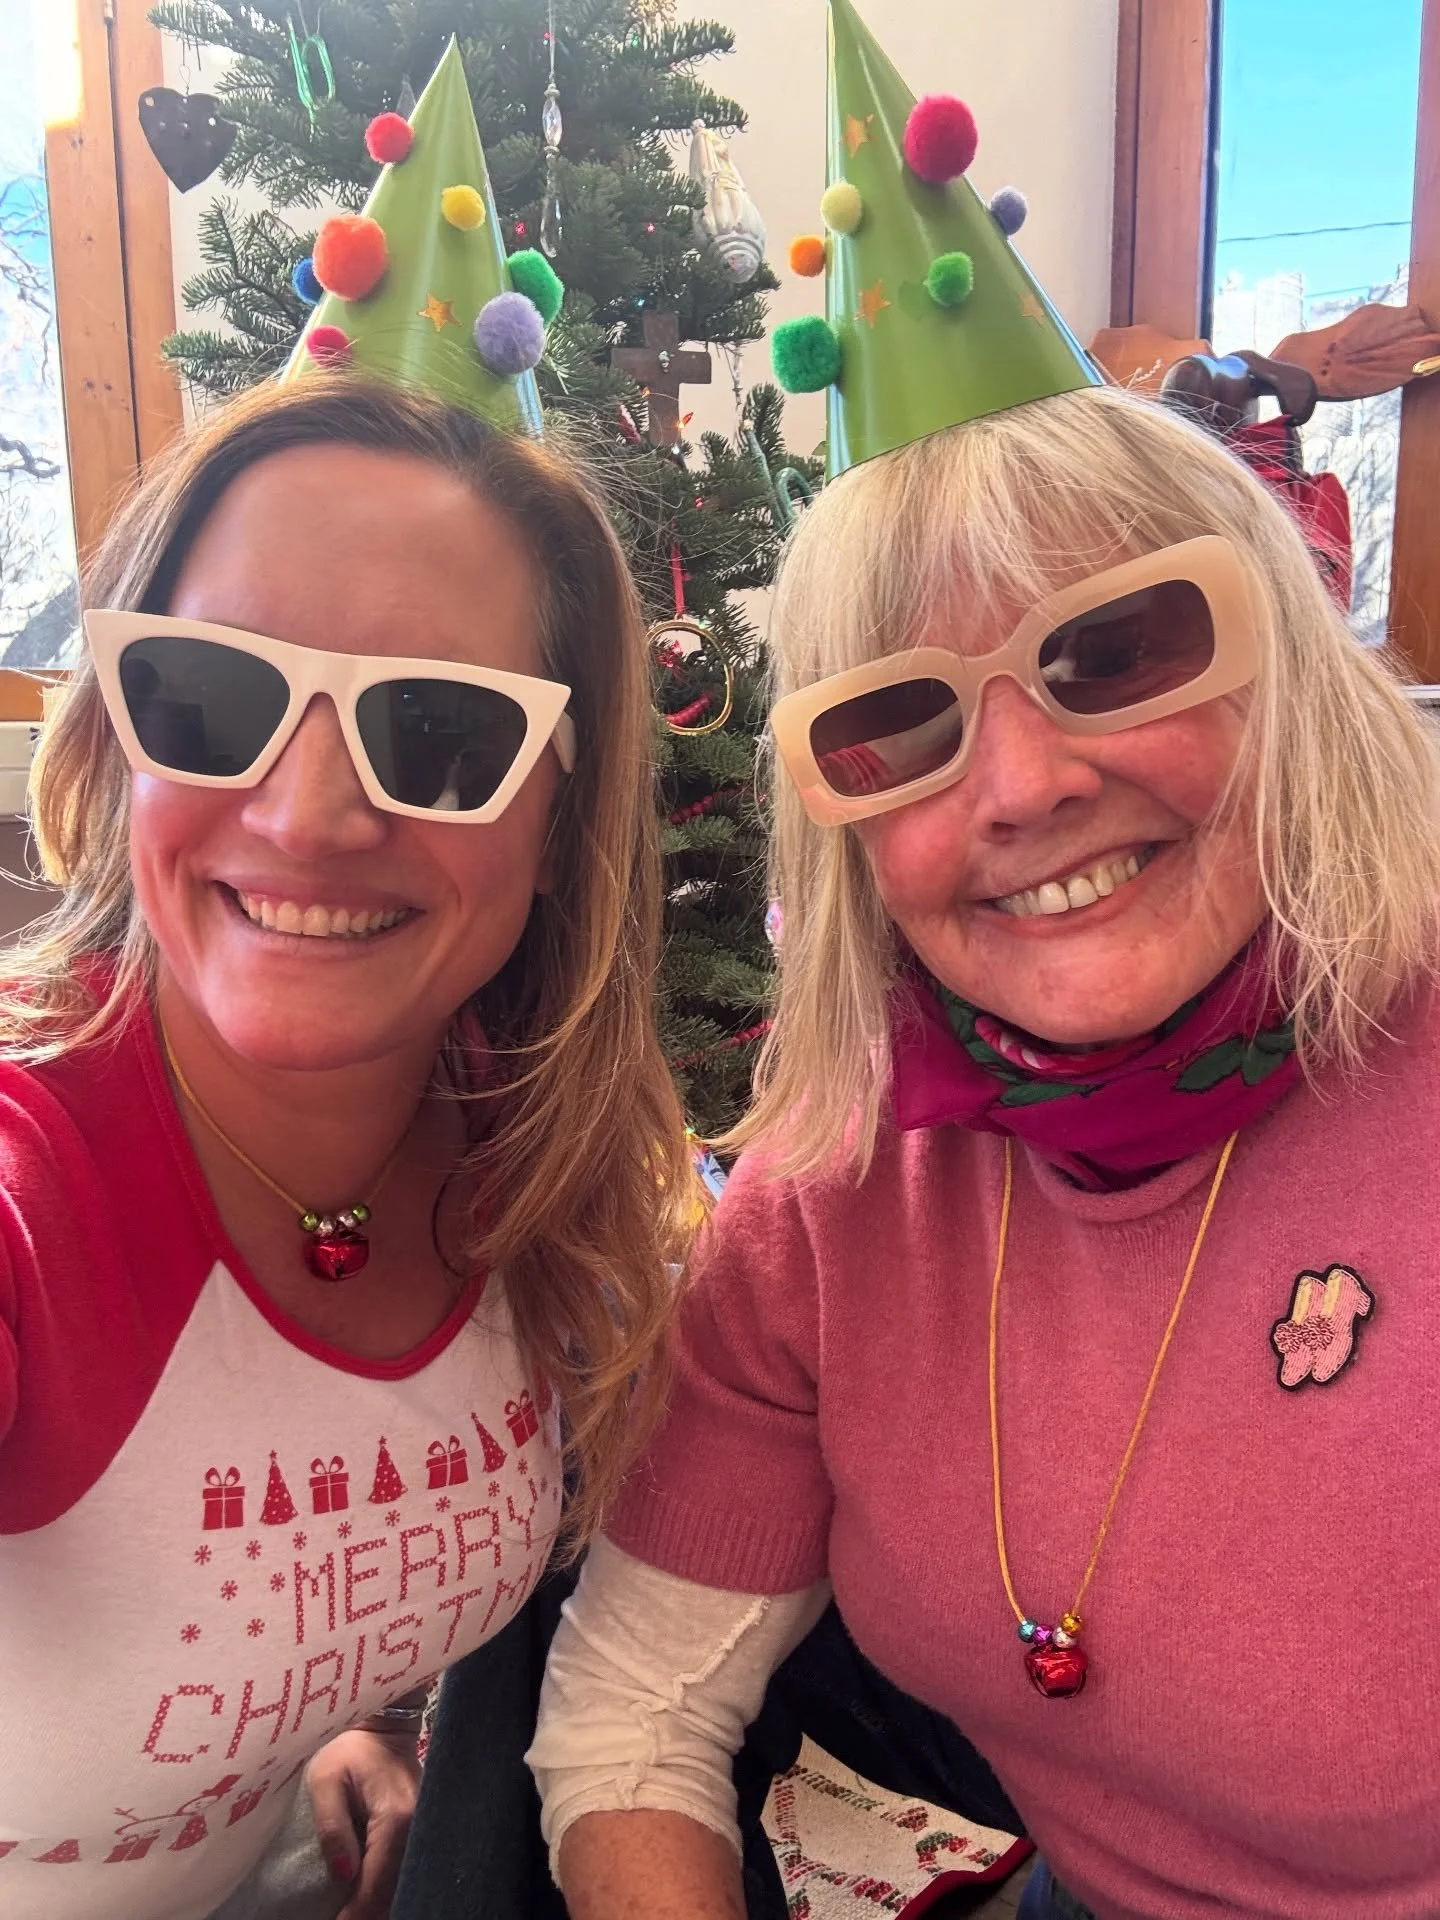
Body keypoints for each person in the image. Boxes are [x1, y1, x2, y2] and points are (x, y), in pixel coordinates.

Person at [526, 4, 1440, 1917]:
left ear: (1286, 662)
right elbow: (632, 1718)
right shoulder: (839, 1187)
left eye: (1115, 651)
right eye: (900, 726)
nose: (1021, 783)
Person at [0, 44, 688, 1920]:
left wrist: (362, 1711)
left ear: (557, 814)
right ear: (119, 734)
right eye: (210, 699)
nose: (305, 816)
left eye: (440, 734)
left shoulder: (539, 1173)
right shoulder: (33, 1181)